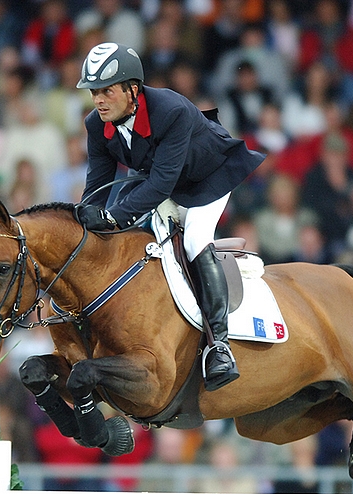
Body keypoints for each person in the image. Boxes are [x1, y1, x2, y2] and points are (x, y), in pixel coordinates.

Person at [73, 43, 265, 391]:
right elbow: (99, 183)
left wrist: (113, 217)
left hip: (208, 178)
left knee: (192, 240)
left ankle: (219, 345)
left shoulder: (170, 110)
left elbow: (161, 184)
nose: (98, 100)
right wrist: (84, 218)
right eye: (94, 92)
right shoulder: (95, 124)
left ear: (132, 89)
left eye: (106, 91)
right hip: (164, 182)